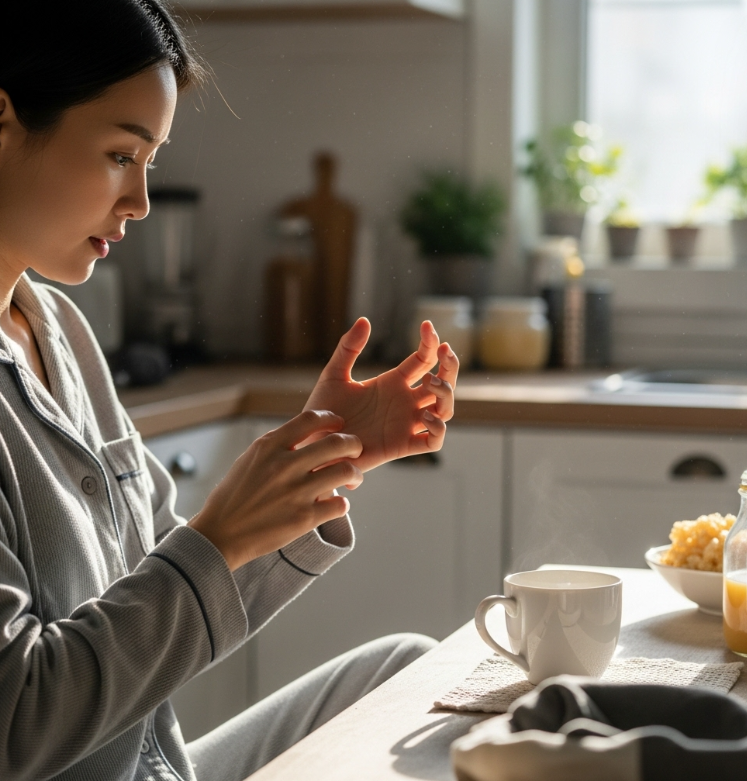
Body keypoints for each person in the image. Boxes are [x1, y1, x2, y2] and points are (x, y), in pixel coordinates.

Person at [0, 3, 458, 780]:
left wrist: (320, 453)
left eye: (150, 161)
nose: (141, 200)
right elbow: (17, 724)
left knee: (414, 677)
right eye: (120, 154)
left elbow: (169, 594)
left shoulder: (60, 328)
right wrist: (214, 538)